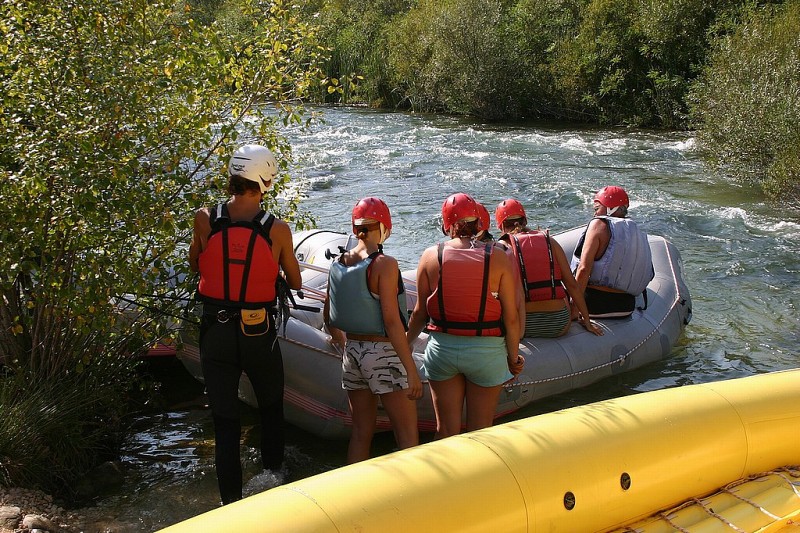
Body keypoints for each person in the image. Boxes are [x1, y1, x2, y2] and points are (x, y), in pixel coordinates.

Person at [188, 144, 302, 505]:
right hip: (258, 334)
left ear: (233, 177)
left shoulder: (204, 217)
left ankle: (229, 504)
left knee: (224, 421)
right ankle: (273, 480)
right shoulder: (277, 228)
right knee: (271, 408)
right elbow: (296, 282)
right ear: (265, 180)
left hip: (216, 332)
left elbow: (195, 264)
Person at [406, 192, 523, 439]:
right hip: (487, 353)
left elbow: (419, 313)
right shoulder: (499, 257)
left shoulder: (430, 256)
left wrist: (404, 347)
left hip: (443, 350)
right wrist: (513, 357)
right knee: (480, 434)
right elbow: (511, 317)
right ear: (479, 223)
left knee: (445, 431)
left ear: (447, 224)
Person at [323, 197, 423, 463]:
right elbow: (391, 322)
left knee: (360, 433)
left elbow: (329, 315)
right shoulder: (384, 264)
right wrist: (411, 371)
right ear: (383, 226)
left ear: (355, 229)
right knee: (407, 437)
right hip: (383, 353)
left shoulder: (338, 263)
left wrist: (342, 342)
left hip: (352, 351)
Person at [495, 199, 602, 338]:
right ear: (525, 221)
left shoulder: (502, 249)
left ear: (501, 226)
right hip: (559, 323)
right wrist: (587, 321)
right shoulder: (549, 241)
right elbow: (572, 285)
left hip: (523, 325)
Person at [570, 186, 654, 318]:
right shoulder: (636, 230)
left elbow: (584, 269)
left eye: (597, 208)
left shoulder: (599, 225)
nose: (595, 214)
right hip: (626, 306)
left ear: (610, 208)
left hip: (594, 304)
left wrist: (575, 308)